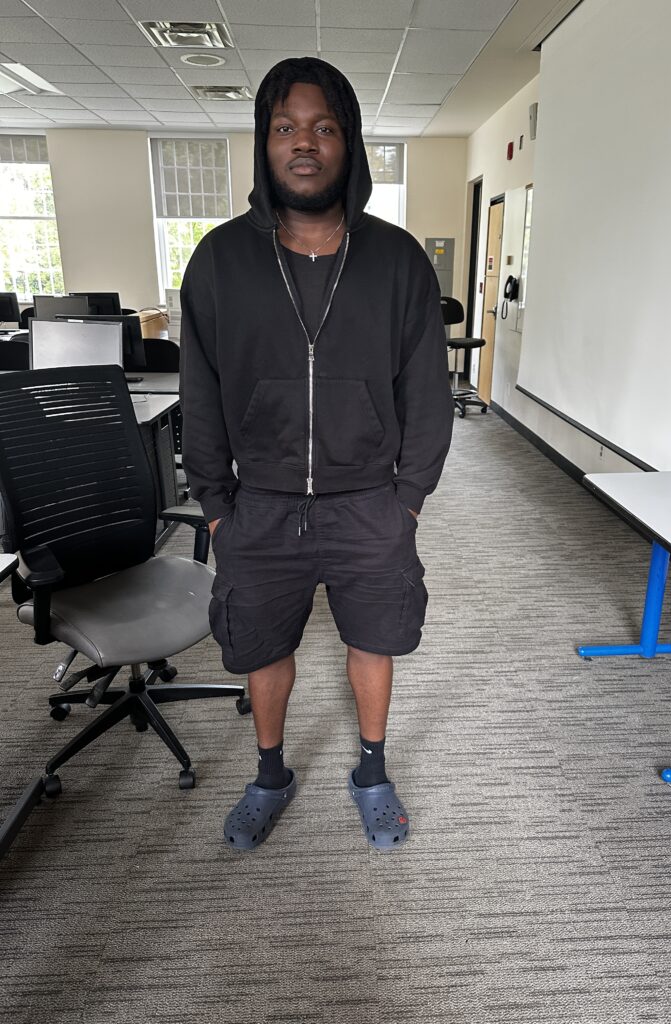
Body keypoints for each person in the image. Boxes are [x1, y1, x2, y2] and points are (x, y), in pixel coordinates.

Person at [179, 57, 454, 853]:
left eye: (324, 127)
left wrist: (408, 499)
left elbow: (428, 395)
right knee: (264, 648)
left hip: (371, 501)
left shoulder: (399, 260)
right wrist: (218, 507)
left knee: (376, 638)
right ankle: (270, 774)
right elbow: (200, 390)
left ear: (350, 144)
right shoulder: (219, 261)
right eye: (286, 127)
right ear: (264, 144)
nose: (305, 143)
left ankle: (371, 770)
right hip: (258, 505)